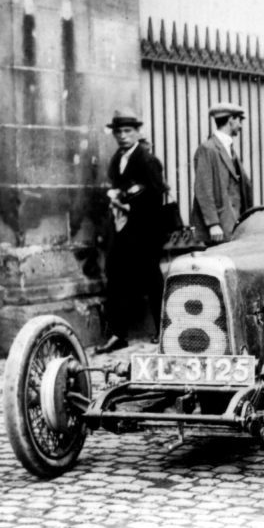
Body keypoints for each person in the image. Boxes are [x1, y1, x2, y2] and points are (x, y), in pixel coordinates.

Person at [95, 108, 166, 354]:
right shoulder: (118, 158)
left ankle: (164, 331)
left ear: (137, 132)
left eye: (128, 131)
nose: (123, 136)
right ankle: (118, 334)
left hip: (145, 231)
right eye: (119, 132)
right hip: (124, 229)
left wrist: (125, 200)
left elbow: (157, 194)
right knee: (116, 278)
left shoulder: (146, 159)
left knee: (152, 280)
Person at [191, 102, 253, 245]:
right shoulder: (208, 149)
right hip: (219, 227)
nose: (241, 125)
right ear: (231, 120)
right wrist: (213, 224)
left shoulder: (228, 149)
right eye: (239, 120)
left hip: (233, 223)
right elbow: (203, 189)